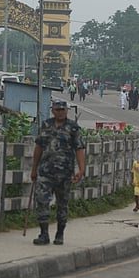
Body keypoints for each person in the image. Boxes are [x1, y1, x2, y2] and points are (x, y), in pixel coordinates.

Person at [30, 99, 85, 245]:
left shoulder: (73, 128)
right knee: (42, 201)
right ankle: (44, 234)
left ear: (66, 111)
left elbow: (79, 148)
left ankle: (60, 234)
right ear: (53, 111)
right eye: (57, 110)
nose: (60, 112)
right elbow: (39, 147)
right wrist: (34, 168)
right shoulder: (46, 125)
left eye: (63, 110)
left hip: (64, 173)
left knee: (62, 204)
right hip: (46, 171)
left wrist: (81, 169)